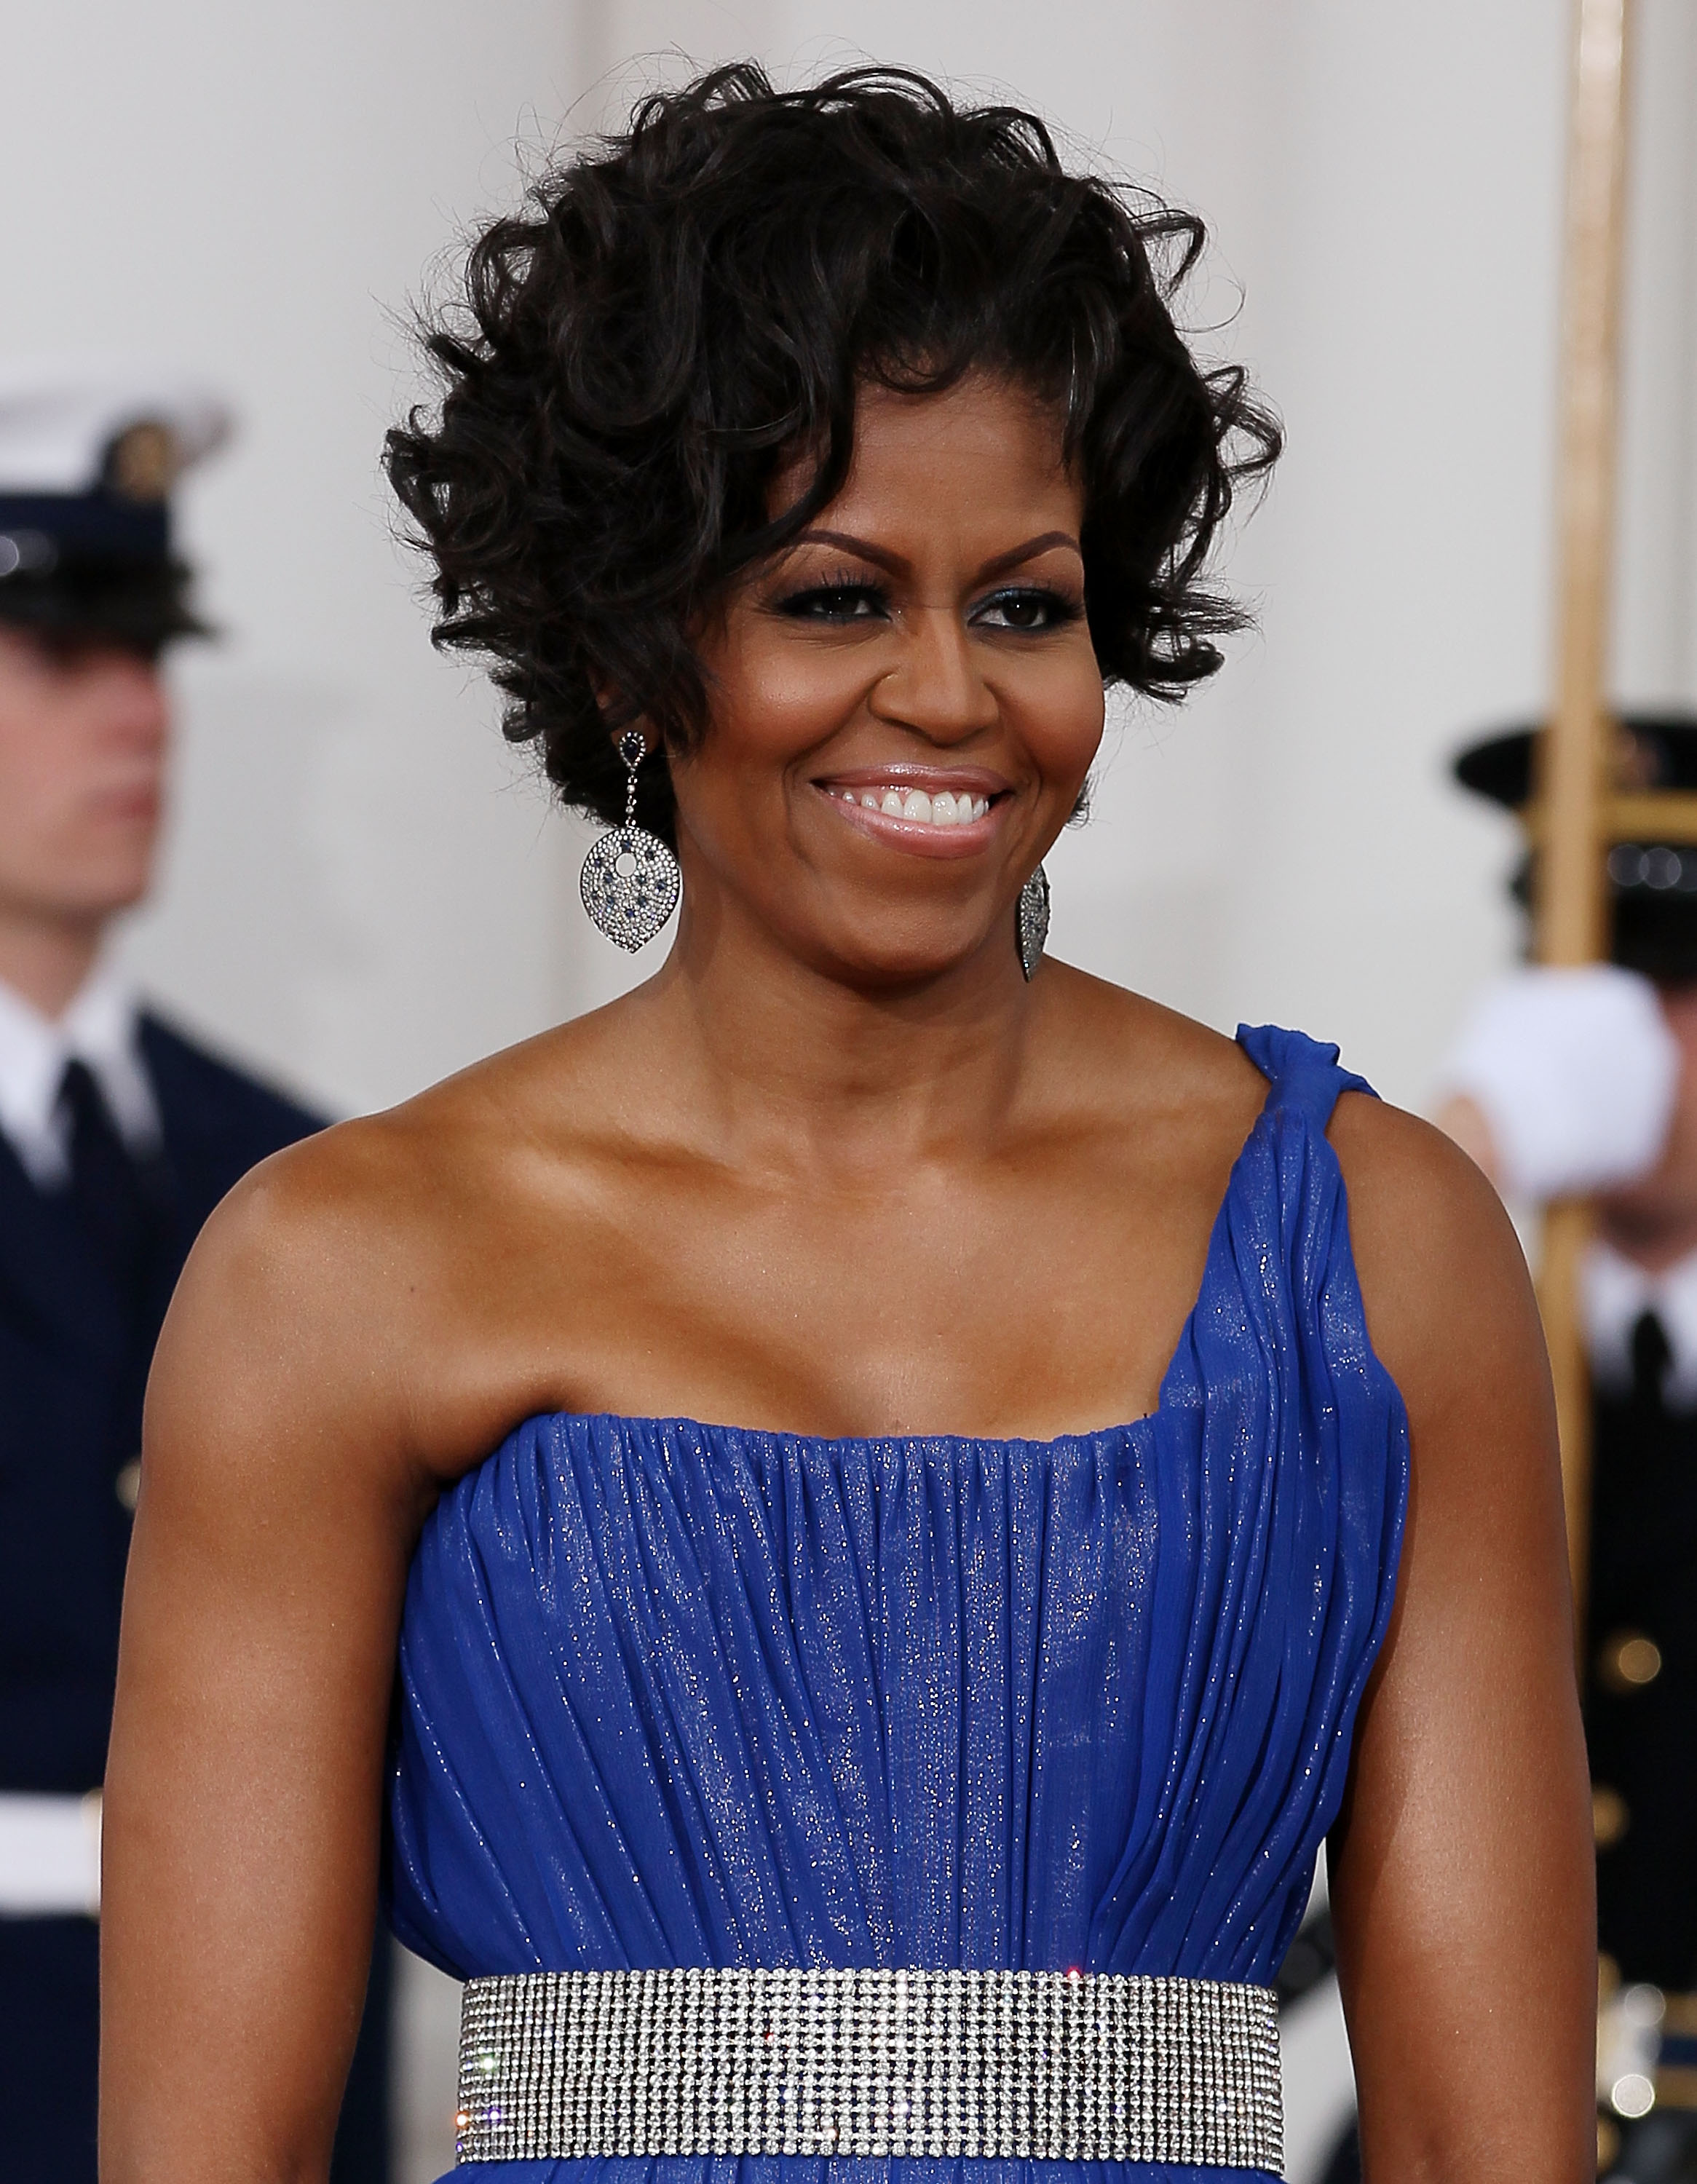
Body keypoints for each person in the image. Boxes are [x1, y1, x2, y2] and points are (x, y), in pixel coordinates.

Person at [101, 66, 1594, 2184]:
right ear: (631, 657)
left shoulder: (1368, 1241)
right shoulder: (340, 1271)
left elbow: (1490, 2152)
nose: (951, 696)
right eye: (831, 597)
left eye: (1023, 603)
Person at [0, 365, 390, 2184]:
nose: (137, 714)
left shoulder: (301, 1175)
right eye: (59, 656)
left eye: (148, 656)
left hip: (254, 2067)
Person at [1439, 714, 1697, 2184]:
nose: (1625, 1047)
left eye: (1670, 986)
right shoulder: (1478, 1365)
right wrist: (1450, 1185)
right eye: (1584, 982)